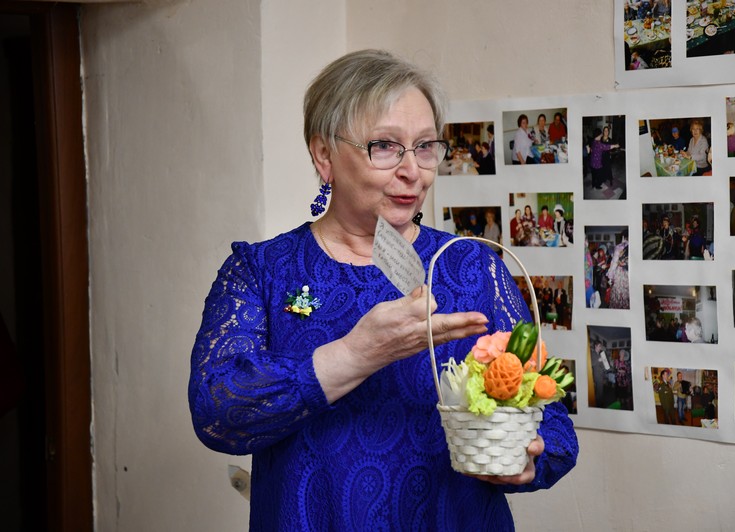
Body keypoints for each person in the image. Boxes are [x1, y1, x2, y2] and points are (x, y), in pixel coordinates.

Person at [188, 49, 578, 530]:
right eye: (386, 146)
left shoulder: (472, 267)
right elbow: (217, 412)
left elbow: (555, 425)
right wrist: (358, 354)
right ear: (325, 155)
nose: (413, 170)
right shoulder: (262, 270)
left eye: (425, 146)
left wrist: (529, 458)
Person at [607, 231, 629, 309]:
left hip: (621, 274)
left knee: (618, 296)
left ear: (623, 237)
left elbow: (614, 263)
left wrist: (610, 276)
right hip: (630, 275)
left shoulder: (619, 247)